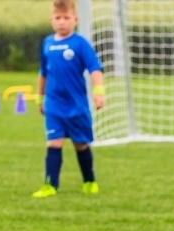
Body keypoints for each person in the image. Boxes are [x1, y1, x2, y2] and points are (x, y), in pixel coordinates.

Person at [32, 0, 105, 198]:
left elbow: (95, 69)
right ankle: (50, 185)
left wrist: (99, 92)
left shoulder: (80, 43)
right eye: (58, 18)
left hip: (76, 106)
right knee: (53, 143)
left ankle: (89, 181)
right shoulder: (47, 43)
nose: (62, 22)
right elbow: (43, 73)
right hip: (54, 105)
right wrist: (39, 97)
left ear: (75, 19)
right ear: (51, 20)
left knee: (80, 144)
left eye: (66, 18)